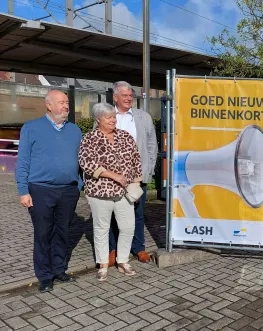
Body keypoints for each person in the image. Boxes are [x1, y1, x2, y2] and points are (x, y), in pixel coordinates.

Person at [15, 89, 82, 293]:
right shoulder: (31, 128)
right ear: (49, 105)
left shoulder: (75, 130)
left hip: (68, 191)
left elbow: (81, 161)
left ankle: (59, 270)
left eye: (67, 102)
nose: (66, 106)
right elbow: (23, 161)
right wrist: (23, 190)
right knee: (43, 234)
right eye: (61, 102)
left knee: (62, 233)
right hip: (40, 190)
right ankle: (44, 276)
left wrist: (78, 185)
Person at [95, 81, 157, 266]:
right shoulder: (106, 116)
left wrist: (149, 169)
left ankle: (138, 247)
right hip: (112, 177)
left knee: (137, 213)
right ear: (115, 97)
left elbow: (152, 145)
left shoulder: (143, 117)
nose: (129, 98)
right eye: (125, 95)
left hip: (137, 176)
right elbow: (96, 145)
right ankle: (112, 249)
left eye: (131, 95)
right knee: (113, 214)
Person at [79, 102, 143, 281]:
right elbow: (86, 163)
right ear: (98, 119)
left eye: (114, 117)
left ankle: (122, 260)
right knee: (101, 229)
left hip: (124, 192)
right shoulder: (89, 139)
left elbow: (136, 161)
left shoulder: (125, 136)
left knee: (128, 227)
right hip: (100, 192)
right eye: (109, 117)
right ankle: (103, 264)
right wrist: (113, 175)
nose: (113, 120)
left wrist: (136, 185)